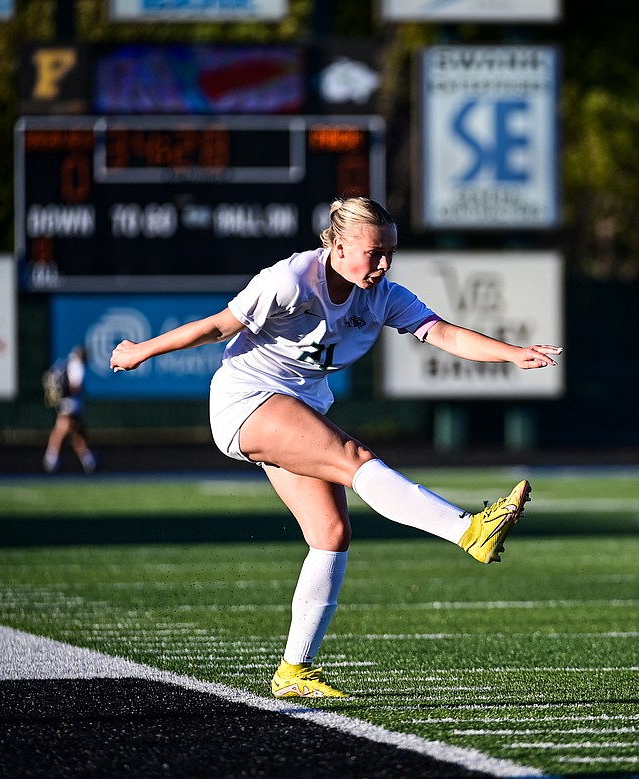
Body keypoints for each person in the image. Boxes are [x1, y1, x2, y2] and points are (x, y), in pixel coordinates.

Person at [109, 196, 563, 699]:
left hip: (300, 405)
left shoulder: (383, 293)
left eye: (390, 252)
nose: (384, 264)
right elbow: (219, 326)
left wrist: (512, 354)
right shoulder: (290, 279)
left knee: (330, 532)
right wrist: (141, 350)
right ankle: (468, 531)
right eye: (375, 253)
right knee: (356, 460)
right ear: (338, 246)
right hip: (247, 400)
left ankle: (293, 672)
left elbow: (444, 334)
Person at [43, 345, 97, 474]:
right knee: (63, 427)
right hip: (71, 402)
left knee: (75, 430)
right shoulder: (77, 365)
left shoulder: (65, 363)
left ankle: (86, 458)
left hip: (64, 402)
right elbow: (75, 386)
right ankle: (52, 457)